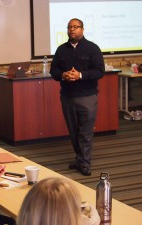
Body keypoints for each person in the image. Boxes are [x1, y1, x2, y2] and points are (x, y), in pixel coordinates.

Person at [50, 18, 105, 176]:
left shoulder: (92, 48)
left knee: (86, 131)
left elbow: (99, 71)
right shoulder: (61, 50)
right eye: (69, 27)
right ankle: (80, 159)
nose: (72, 30)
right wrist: (63, 75)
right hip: (67, 96)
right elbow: (54, 71)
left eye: (75, 27)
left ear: (82, 29)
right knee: (73, 131)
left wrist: (80, 75)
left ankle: (85, 163)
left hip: (87, 97)